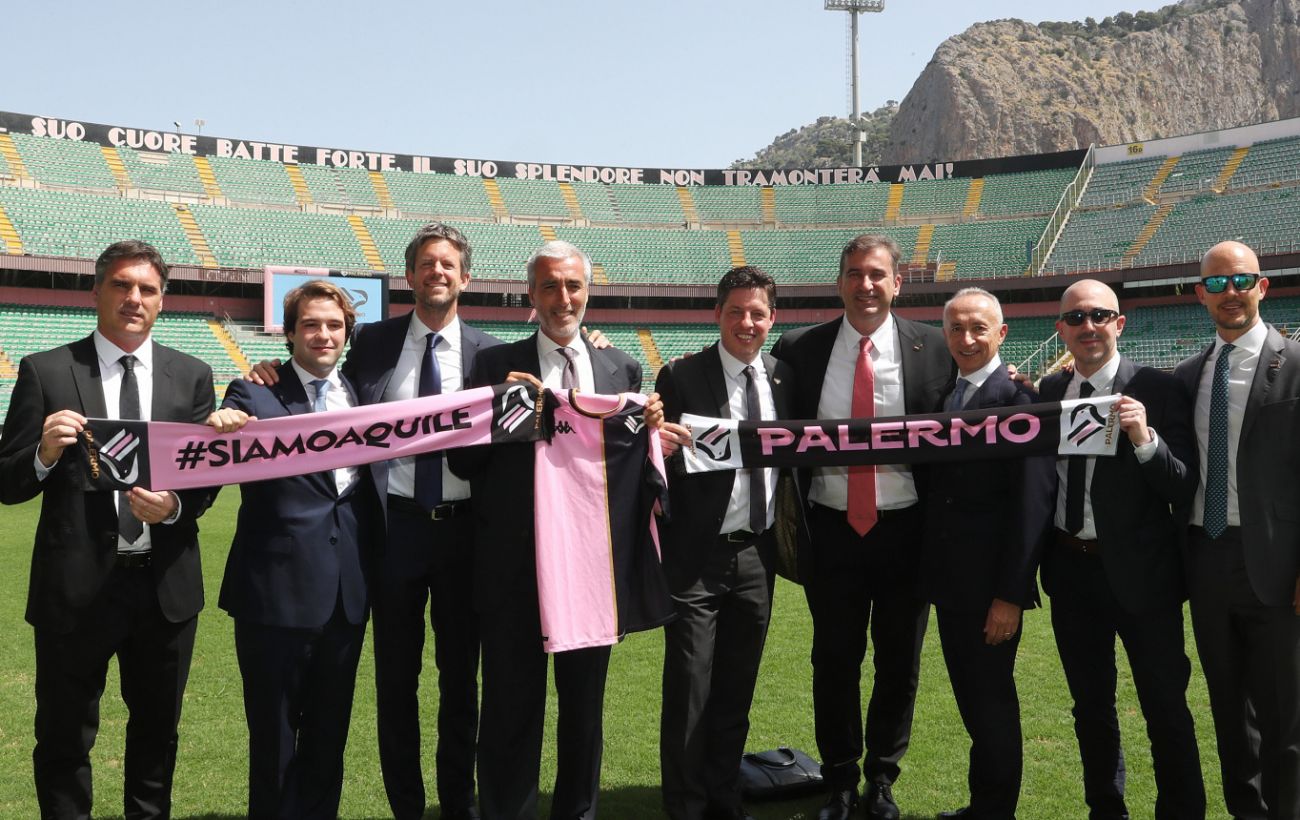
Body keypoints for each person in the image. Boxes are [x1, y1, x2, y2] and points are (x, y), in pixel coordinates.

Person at [249, 222, 497, 820]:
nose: (437, 273)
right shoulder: (372, 344)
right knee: (395, 682)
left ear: (465, 277)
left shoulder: (492, 353)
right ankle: (406, 806)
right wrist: (267, 370)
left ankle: (458, 805)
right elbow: (317, 370)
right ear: (409, 275)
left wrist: (592, 342)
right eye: (426, 264)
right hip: (393, 532)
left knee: (461, 681)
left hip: (465, 532)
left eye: (448, 264)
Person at [0, 240, 216, 819]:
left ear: (162, 300)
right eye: (121, 285)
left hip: (163, 588)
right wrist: (43, 454)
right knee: (64, 736)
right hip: (75, 590)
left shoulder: (192, 376)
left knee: (157, 735)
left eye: (147, 288)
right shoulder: (46, 370)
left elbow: (205, 481)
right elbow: (6, 482)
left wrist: (174, 507)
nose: (133, 298)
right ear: (96, 292)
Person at [447, 240, 645, 820]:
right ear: (531, 295)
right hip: (515, 569)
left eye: (573, 285)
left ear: (588, 292)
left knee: (584, 710)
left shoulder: (621, 368)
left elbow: (630, 472)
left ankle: (577, 812)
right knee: (510, 709)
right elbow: (462, 463)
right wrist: (509, 418)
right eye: (550, 286)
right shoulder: (492, 365)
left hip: (590, 569)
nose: (563, 298)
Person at [769, 234, 954, 820]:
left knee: (900, 663)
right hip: (831, 531)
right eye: (854, 273)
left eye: (877, 274)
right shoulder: (799, 349)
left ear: (898, 282)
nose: (865, 285)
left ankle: (882, 779)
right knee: (834, 661)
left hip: (907, 532)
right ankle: (840, 780)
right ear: (840, 281)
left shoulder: (936, 348)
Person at [208, 280, 379, 818]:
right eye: (310, 324)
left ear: (347, 333)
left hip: (346, 595)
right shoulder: (252, 393)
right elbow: (212, 454)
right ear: (289, 333)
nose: (323, 334)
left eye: (333, 325)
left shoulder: (366, 394)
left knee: (329, 738)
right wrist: (222, 425)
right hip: (274, 595)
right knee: (274, 740)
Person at [1038, 279, 1204, 819]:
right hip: (1071, 571)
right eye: (1076, 318)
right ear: (1061, 329)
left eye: (1099, 315)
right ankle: (1105, 809)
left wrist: (1144, 439)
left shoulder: (1159, 388)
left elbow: (1182, 486)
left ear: (1119, 323)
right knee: (1090, 707)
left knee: (1165, 707)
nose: (1088, 326)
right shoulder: (1048, 392)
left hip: (1144, 576)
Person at [655, 266, 795, 820]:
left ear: (772, 318)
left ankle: (723, 792)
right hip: (698, 555)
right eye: (735, 311)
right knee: (690, 687)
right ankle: (686, 804)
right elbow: (658, 458)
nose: (746, 322)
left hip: (758, 552)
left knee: (738, 685)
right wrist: (663, 447)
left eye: (757, 313)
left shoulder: (784, 377)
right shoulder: (682, 375)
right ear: (717, 314)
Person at [1174, 240, 1300, 820]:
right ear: (1201, 294)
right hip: (1208, 556)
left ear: (1262, 287)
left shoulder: (1295, 364)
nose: (1231, 293)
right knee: (1228, 707)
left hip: (1277, 561)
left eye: (1242, 280)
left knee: (1285, 713)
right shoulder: (1187, 375)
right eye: (1218, 284)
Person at [921, 287, 1054, 820]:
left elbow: (1031, 507)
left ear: (1001, 333)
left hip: (992, 591)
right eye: (956, 328)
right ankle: (984, 804)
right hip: (950, 585)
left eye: (979, 328)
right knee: (974, 703)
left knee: (992, 702)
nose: (967, 338)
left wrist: (1010, 596)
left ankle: (996, 810)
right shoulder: (941, 398)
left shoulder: (1022, 404)